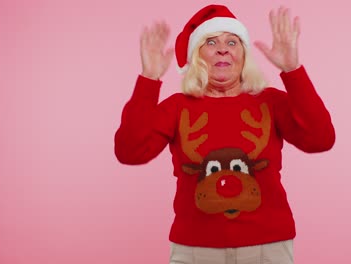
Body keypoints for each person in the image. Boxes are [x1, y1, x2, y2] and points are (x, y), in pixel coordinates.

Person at [115, 4, 335, 264]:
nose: (223, 49)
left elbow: (321, 139)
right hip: (195, 250)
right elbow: (130, 151)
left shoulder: (271, 101)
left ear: (243, 54)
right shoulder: (177, 107)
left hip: (268, 249)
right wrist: (149, 79)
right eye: (210, 42)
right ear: (196, 55)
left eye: (232, 42)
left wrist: (293, 70)